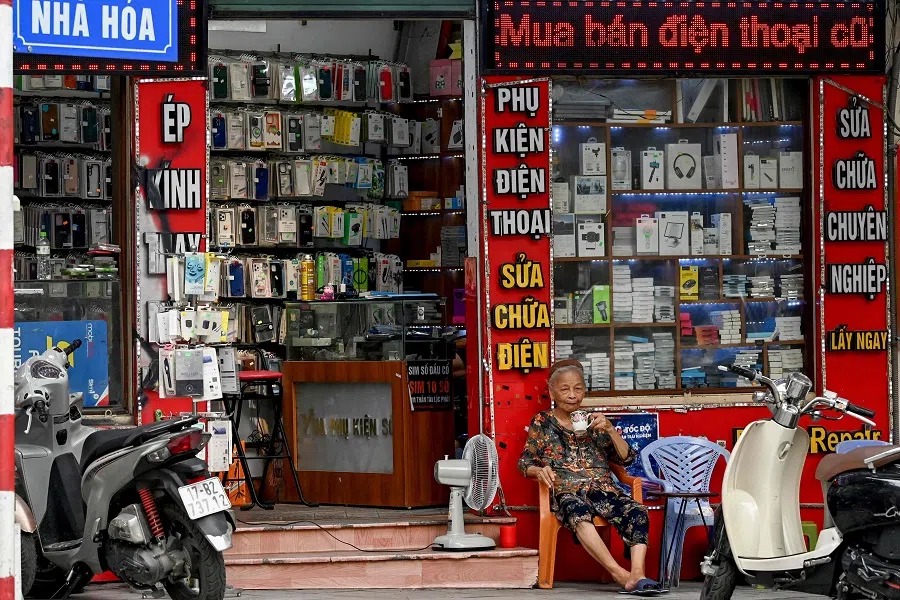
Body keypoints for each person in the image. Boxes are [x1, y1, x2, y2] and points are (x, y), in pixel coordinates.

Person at [519, 359, 664, 597]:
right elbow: (525, 462)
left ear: (585, 390)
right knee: (578, 513)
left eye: (578, 388)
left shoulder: (594, 422)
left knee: (637, 511)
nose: (572, 395)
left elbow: (626, 460)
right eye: (564, 389)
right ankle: (620, 574)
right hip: (567, 490)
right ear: (551, 390)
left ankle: (637, 574)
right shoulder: (542, 422)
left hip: (603, 490)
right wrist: (539, 471)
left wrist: (610, 430)